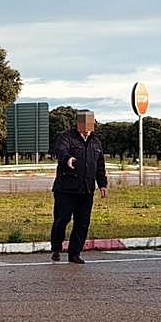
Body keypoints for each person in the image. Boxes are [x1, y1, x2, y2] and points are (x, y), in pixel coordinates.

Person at [50, 109, 108, 264]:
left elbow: (100, 165)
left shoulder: (96, 142)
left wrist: (102, 184)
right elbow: (60, 151)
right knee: (62, 219)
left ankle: (74, 253)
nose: (88, 126)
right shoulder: (66, 137)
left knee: (82, 223)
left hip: (86, 189)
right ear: (78, 123)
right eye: (85, 123)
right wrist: (67, 158)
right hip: (66, 189)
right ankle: (56, 247)